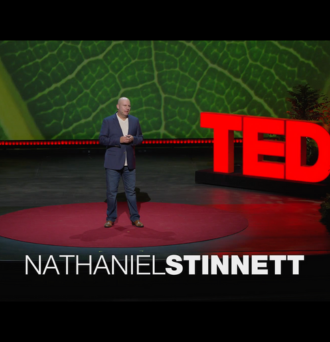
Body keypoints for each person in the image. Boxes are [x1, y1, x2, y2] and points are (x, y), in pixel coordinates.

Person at [99, 97, 144, 228]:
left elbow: (140, 138)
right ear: (118, 106)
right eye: (124, 105)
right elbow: (102, 139)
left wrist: (133, 139)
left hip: (129, 163)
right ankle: (110, 218)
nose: (127, 108)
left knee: (131, 192)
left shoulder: (135, 121)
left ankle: (135, 218)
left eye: (129, 105)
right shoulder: (108, 121)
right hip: (113, 163)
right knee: (112, 192)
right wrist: (119, 140)